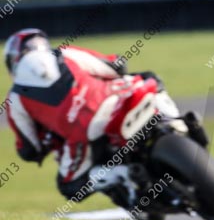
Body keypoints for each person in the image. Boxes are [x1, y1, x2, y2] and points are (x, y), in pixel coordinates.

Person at [3, 28, 183, 209]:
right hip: (119, 96)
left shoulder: (15, 99)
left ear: (13, 61)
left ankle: (124, 173)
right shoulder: (66, 53)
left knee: (69, 186)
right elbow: (117, 65)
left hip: (84, 133)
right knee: (150, 80)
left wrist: (45, 144)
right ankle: (179, 123)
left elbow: (29, 149)